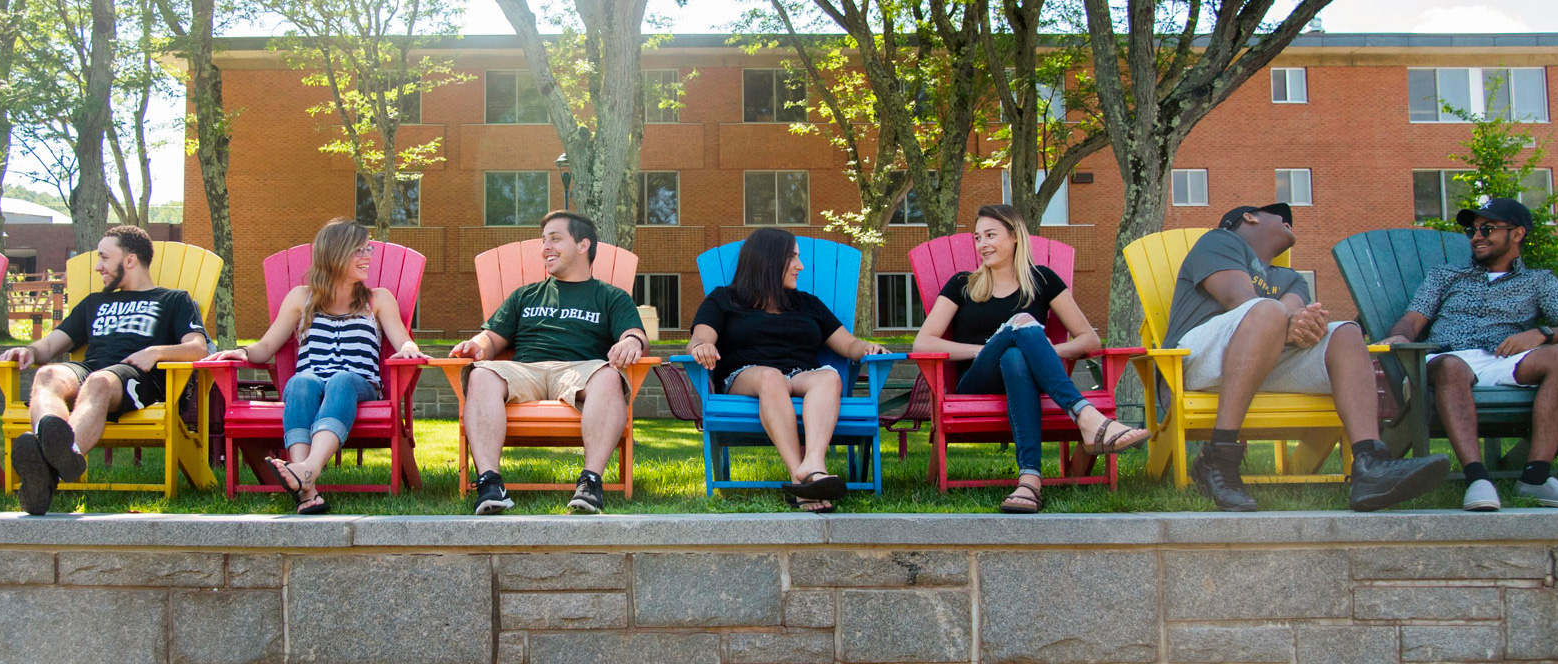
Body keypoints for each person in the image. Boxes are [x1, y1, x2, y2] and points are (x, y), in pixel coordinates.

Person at [1165, 202, 1449, 512]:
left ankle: (1370, 465)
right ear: (1250, 217)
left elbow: (1293, 318)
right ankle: (1219, 459)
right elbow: (1240, 300)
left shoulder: (1291, 279)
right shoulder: (1220, 241)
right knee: (1267, 310)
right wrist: (1286, 320)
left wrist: (1305, 325)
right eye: (1282, 217)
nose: (1289, 223)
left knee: (1346, 333)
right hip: (1193, 358)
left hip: (1261, 361)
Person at [913, 205, 1148, 513]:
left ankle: (1029, 482)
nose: (982, 244)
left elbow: (1088, 338)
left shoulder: (1043, 280)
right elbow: (924, 342)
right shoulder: (962, 284)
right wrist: (985, 348)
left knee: (1015, 356)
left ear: (1014, 237)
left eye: (991, 235)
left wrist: (1049, 349)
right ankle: (1087, 417)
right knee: (1019, 326)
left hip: (1024, 378)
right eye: (977, 237)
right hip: (976, 381)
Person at [1373, 197, 1558, 510]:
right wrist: (1400, 335)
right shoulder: (1446, 275)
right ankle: (1477, 478)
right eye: (1473, 231)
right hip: (1449, 359)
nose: (1477, 237)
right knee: (1451, 367)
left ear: (1517, 234)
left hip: (1506, 359)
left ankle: (1536, 478)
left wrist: (1541, 333)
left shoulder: (1539, 281)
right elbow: (1414, 318)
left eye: (1487, 229)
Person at [201, 220, 427, 514]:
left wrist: (409, 351)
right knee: (299, 382)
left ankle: (306, 470)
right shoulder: (300, 298)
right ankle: (307, 489)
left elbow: (404, 341)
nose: (368, 255)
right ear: (336, 253)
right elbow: (267, 346)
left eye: (368, 248)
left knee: (341, 380)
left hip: (359, 385)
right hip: (311, 383)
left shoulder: (378, 299)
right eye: (359, 250)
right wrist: (239, 352)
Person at [0, 225, 210, 515]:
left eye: (105, 258)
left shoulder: (173, 300)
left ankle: (46, 467)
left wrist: (157, 352)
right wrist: (29, 351)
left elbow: (198, 348)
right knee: (47, 375)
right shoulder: (95, 302)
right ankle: (52, 461)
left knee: (99, 380)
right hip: (91, 370)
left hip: (137, 376)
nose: (98, 267)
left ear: (130, 260)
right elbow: (48, 348)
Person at [448, 211, 648, 515]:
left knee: (610, 376)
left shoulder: (610, 297)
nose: (545, 248)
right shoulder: (525, 295)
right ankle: (490, 483)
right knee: (480, 376)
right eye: (543, 242)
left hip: (581, 371)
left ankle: (590, 482)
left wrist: (631, 342)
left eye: (555, 239)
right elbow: (491, 338)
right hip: (525, 370)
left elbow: (634, 333)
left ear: (583, 245)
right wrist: (476, 346)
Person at [686, 228, 890, 513]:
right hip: (747, 376)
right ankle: (801, 476)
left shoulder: (807, 303)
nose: (800, 265)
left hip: (799, 374)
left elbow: (849, 344)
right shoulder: (724, 300)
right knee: (771, 377)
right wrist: (702, 347)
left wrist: (868, 348)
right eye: (792, 258)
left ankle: (813, 465)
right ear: (768, 261)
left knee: (830, 377)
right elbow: (700, 338)